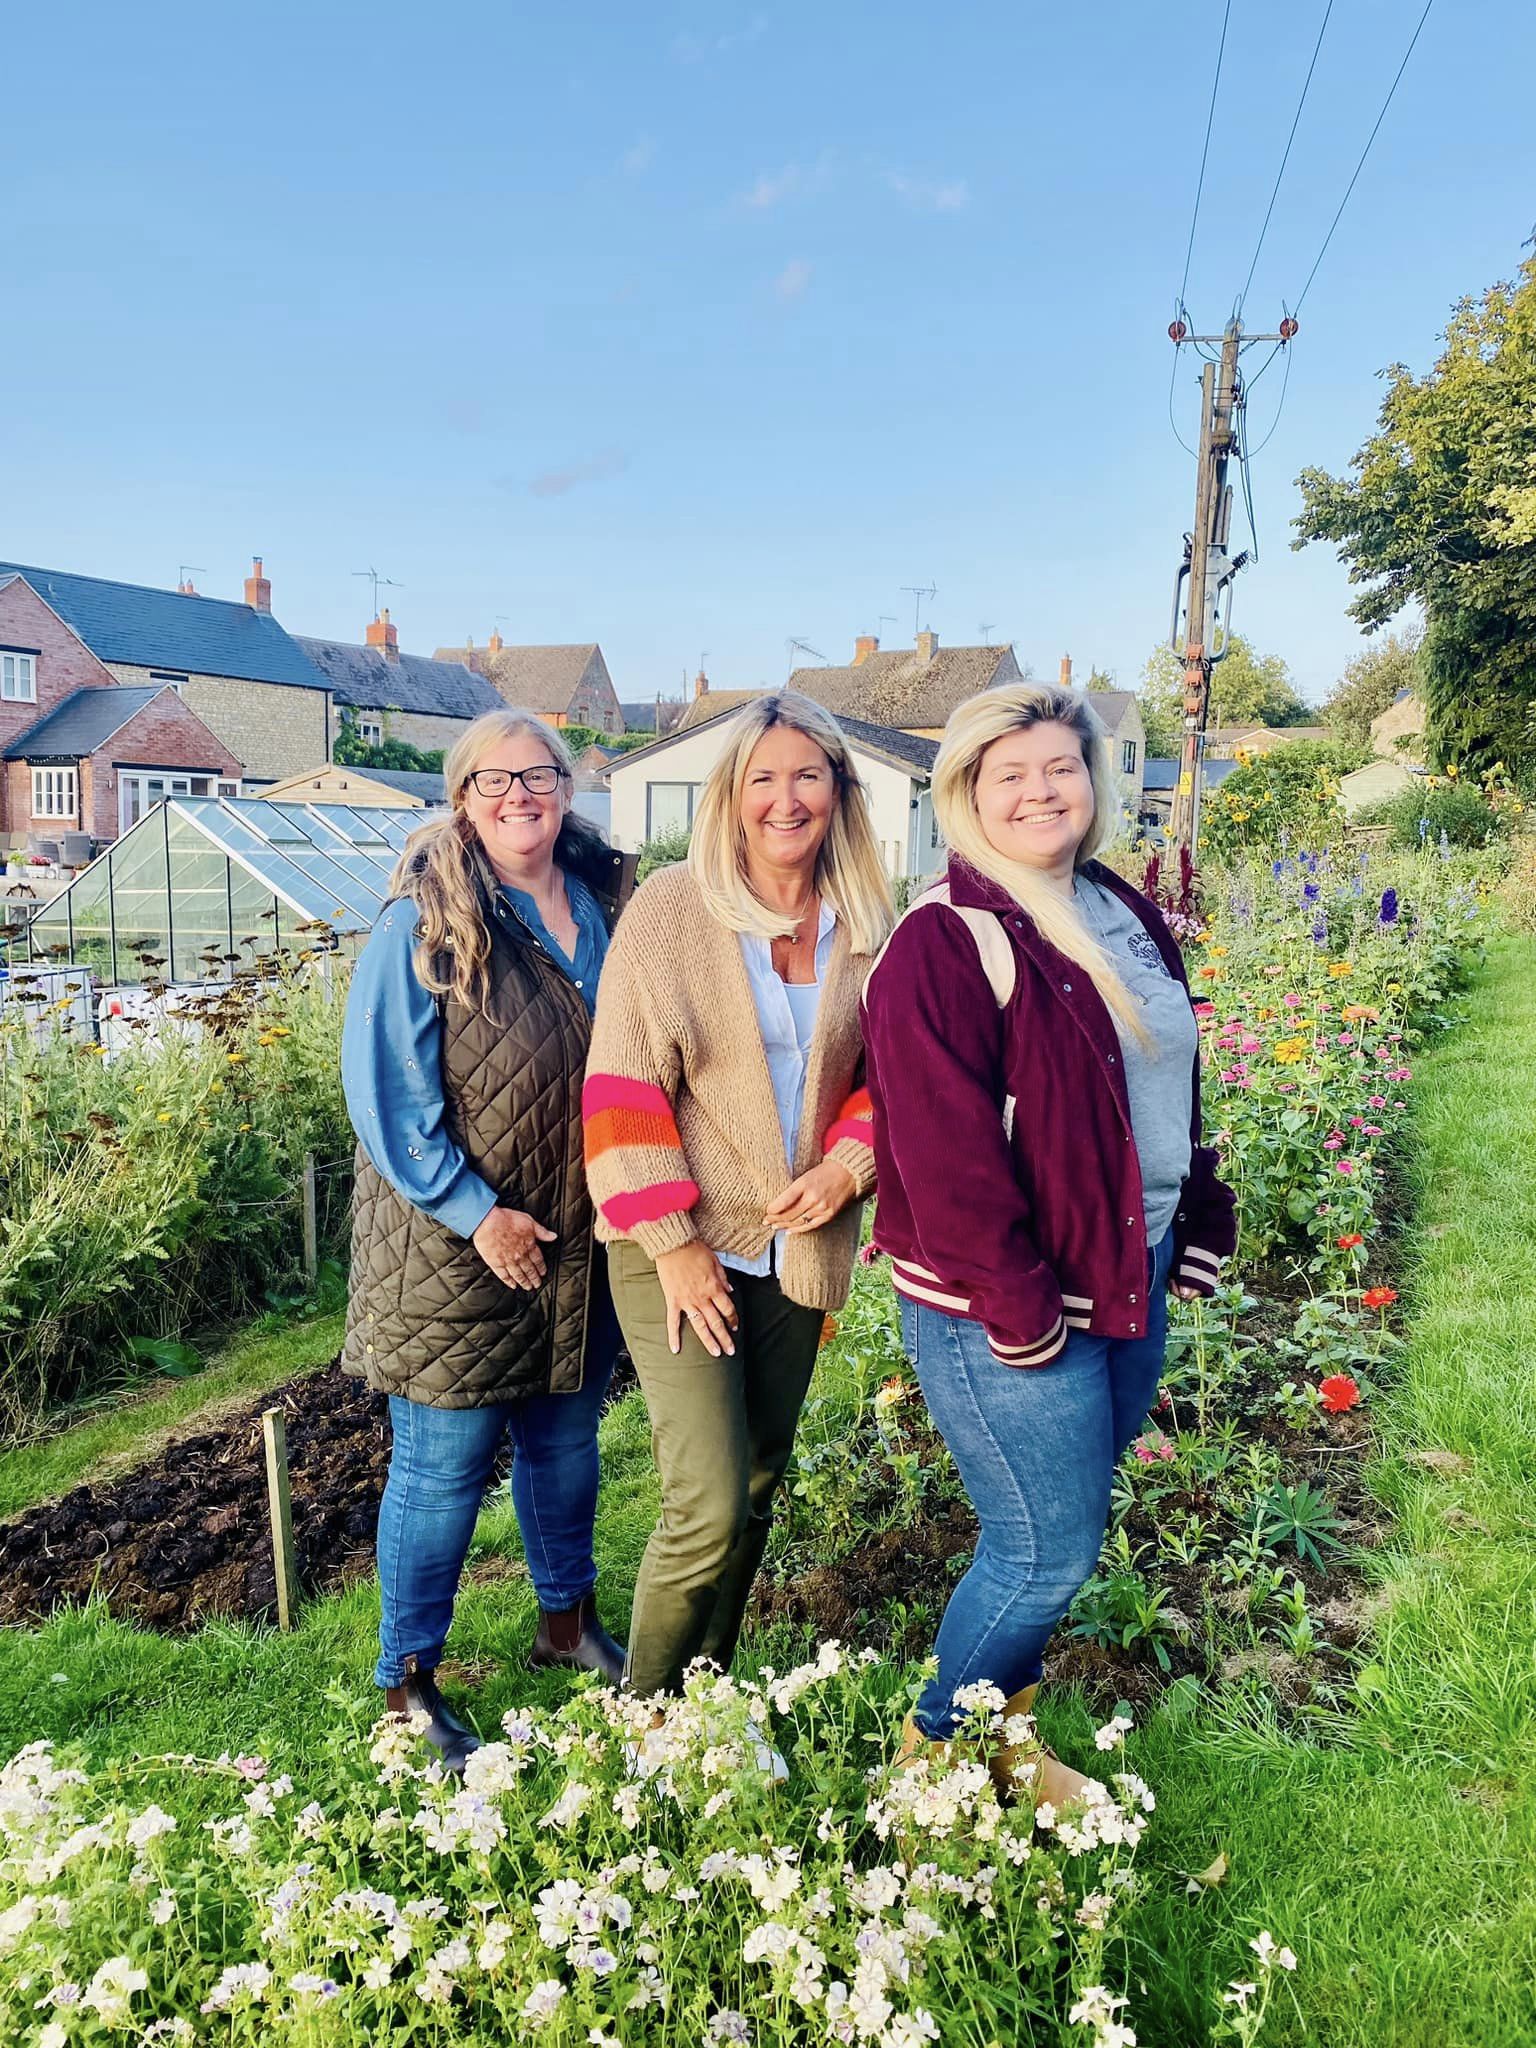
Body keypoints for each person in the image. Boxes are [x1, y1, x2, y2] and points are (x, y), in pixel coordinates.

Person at [861, 680, 1237, 1799]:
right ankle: (931, 1764)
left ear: (1095, 779)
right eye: (1008, 773)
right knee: (1043, 1549)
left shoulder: (1117, 904)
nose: (1039, 790)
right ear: (968, 791)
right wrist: (1017, 1303)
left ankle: (1005, 1739)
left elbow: (1163, 1075)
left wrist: (1200, 1200)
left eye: (1060, 767)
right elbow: (942, 1151)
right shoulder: (946, 940)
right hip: (1012, 1304)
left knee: (1062, 1527)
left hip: (1129, 1267)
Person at [582, 692, 894, 1699]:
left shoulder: (871, 922)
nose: (784, 798)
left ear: (839, 789)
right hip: (678, 1235)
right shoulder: (675, 908)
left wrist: (848, 1166)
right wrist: (674, 1242)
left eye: (807, 773)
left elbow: (889, 1079)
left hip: (797, 1241)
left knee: (759, 1485)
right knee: (708, 1500)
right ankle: (640, 1721)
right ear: (732, 793)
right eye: (762, 776)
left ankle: (705, 1703)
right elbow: (622, 1084)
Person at [341, 708, 635, 1771]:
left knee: (566, 1442)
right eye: (494, 778)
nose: (521, 793)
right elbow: (388, 1096)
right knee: (444, 1464)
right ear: (461, 797)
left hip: (578, 1235)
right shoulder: (424, 916)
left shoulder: (609, 898)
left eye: (541, 773)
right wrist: (478, 1213)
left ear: (568, 785)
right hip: (452, 1243)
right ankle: (406, 1682)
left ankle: (565, 1622)